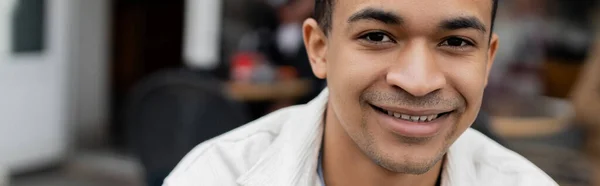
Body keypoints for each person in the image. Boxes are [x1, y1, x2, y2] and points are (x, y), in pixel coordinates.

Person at [164, 0, 557, 185]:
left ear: (488, 62)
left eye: (455, 42)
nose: (418, 81)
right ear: (319, 49)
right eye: (377, 36)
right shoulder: (215, 177)